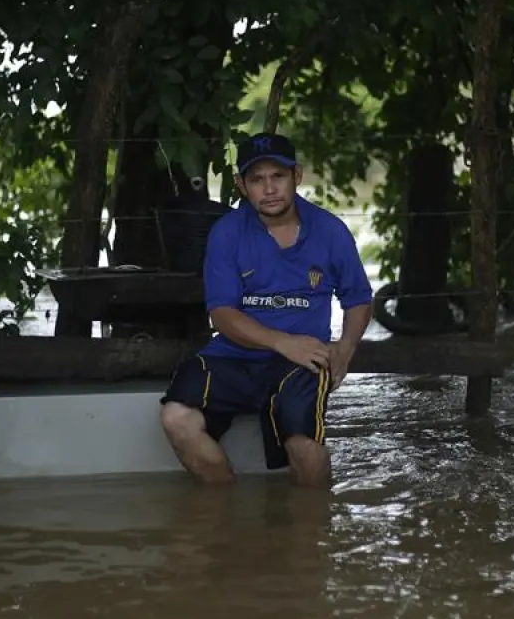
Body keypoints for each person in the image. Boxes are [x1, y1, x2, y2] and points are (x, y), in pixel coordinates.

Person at [159, 132, 373, 488]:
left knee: (304, 447)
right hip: (234, 356)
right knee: (175, 417)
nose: (269, 188)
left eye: (278, 176)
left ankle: (314, 534)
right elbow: (222, 315)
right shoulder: (227, 232)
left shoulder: (330, 231)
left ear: (297, 176)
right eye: (257, 179)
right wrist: (280, 341)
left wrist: (345, 348)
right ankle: (226, 516)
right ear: (242, 185)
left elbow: (359, 299)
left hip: (302, 360)